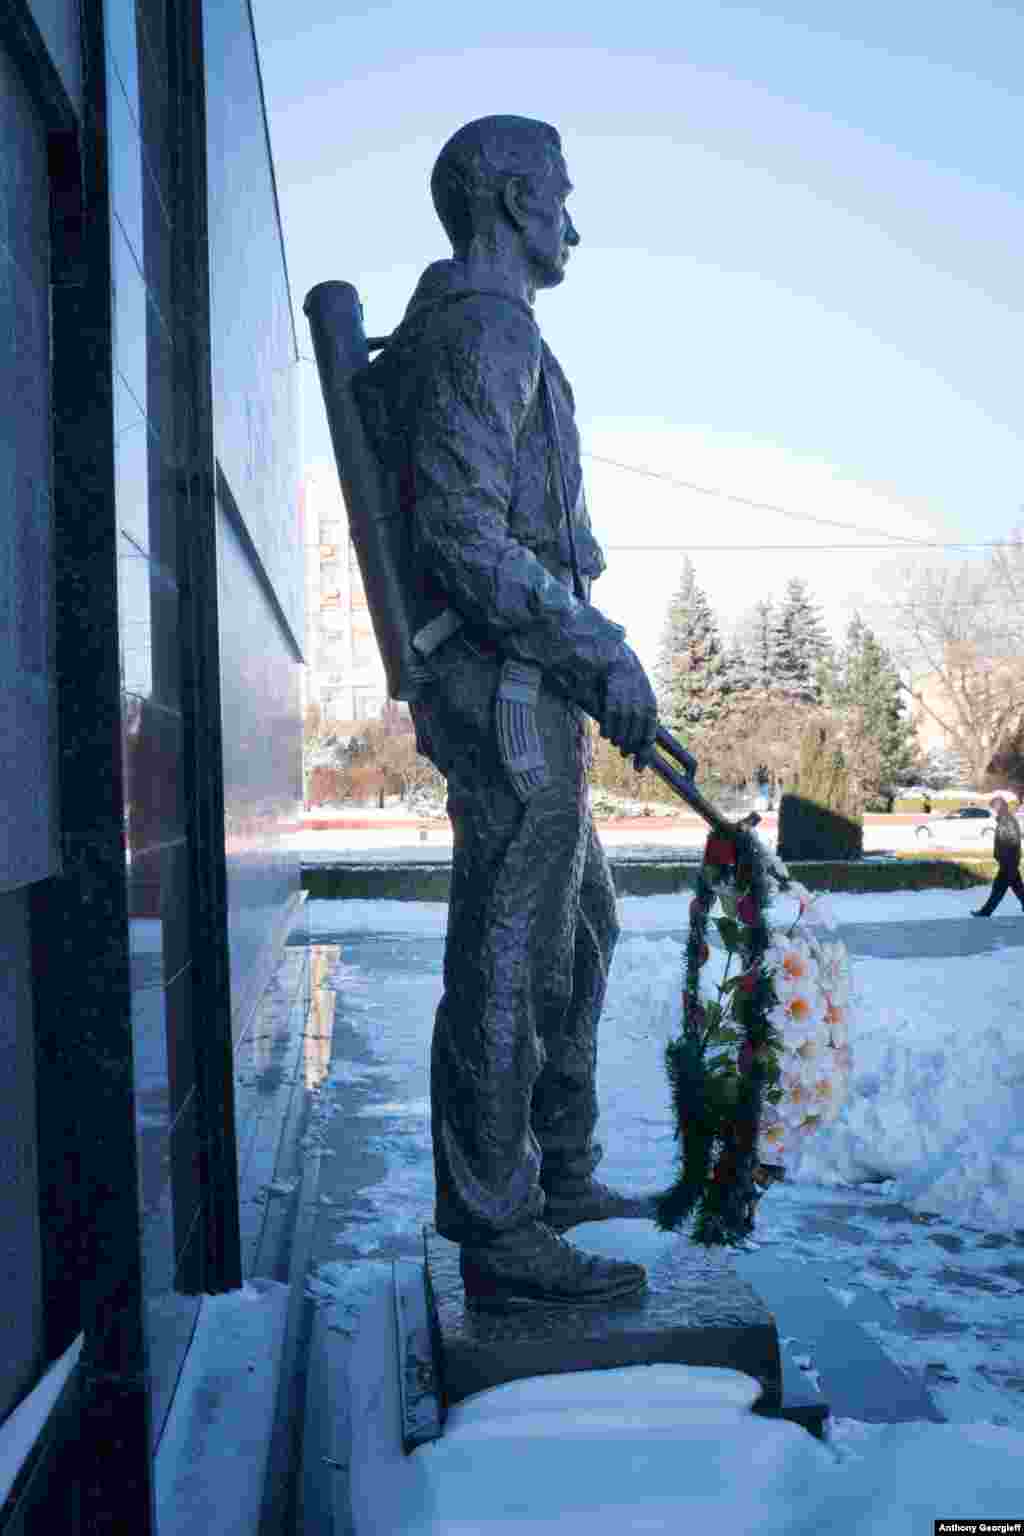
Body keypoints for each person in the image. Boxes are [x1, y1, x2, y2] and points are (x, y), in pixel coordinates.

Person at [355, 117, 658, 1307]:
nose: (574, 222)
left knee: (579, 931)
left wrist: (588, 663)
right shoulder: (486, 330)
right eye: (561, 197)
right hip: (511, 694)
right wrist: (601, 647)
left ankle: (560, 1171)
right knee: (510, 953)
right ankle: (499, 1224)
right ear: (509, 201)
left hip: (532, 683)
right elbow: (467, 540)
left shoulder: (479, 328)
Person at [971, 796, 1024, 916]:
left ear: (1000, 806)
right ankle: (985, 912)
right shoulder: (1005, 819)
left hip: (1008, 861)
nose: (993, 809)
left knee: (999, 888)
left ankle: (985, 912)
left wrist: (1006, 860)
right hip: (1009, 861)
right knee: (1017, 887)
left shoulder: (1006, 820)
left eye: (994, 806)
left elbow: (1012, 841)